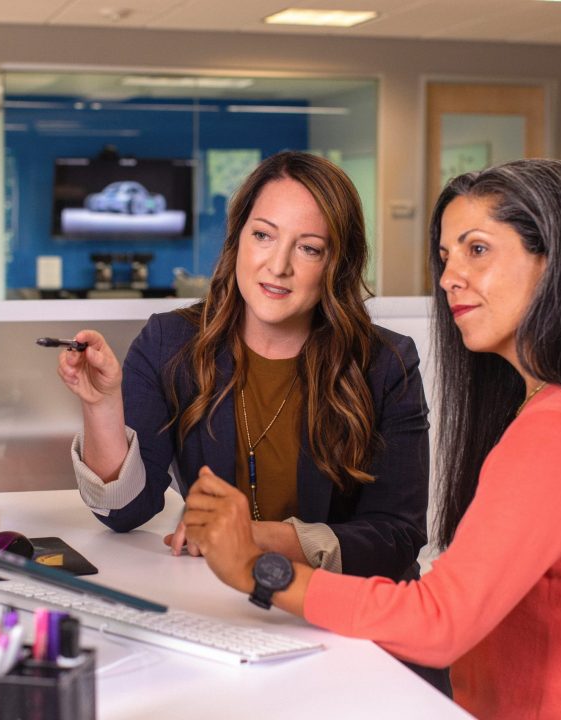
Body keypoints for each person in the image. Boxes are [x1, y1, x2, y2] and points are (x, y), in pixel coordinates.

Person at [181, 158, 561, 718]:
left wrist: (259, 570)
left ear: (554, 262)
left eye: (478, 249)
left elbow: (439, 622)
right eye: (445, 257)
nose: (448, 278)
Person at [57, 151, 448, 691]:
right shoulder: (170, 343)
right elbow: (126, 512)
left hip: (350, 630)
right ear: (238, 237)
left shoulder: (385, 362)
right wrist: (101, 404)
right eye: (263, 236)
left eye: (308, 248)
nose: (278, 265)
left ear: (337, 263)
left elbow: (398, 537)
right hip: (228, 622)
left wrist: (252, 542)